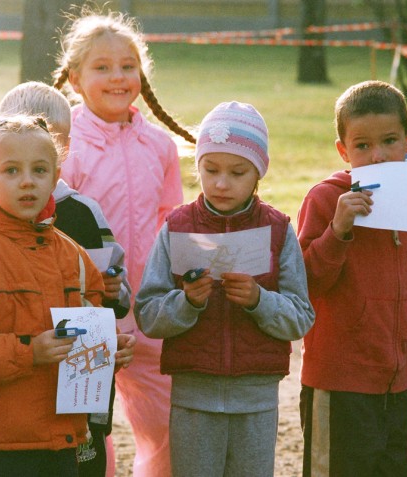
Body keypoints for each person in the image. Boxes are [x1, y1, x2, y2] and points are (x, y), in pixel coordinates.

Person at [0, 115, 134, 477]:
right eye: (11, 170)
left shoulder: (76, 258)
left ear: (55, 178)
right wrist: (28, 352)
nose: (27, 181)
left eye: (39, 170)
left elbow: (84, 339)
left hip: (63, 438)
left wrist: (106, 351)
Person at [134, 101, 315, 475]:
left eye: (237, 172)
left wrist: (259, 300)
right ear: (197, 166)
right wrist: (186, 303)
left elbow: (300, 317)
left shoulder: (278, 230)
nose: (220, 182)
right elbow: (148, 314)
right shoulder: (176, 227)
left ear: (258, 173)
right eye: (210, 169)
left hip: (256, 400)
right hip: (193, 398)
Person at [53, 8, 196, 476]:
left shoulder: (160, 146)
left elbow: (169, 221)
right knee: (90, 431)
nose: (117, 77)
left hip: (151, 310)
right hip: (87, 313)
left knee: (169, 427)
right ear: (75, 79)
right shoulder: (63, 145)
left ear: (142, 72)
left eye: (127, 66)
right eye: (102, 67)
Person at [297, 80, 407, 476]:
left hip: (397, 380)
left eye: (389, 141)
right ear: (343, 150)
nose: (377, 155)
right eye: (362, 145)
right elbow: (307, 284)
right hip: (339, 380)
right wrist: (339, 230)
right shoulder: (325, 199)